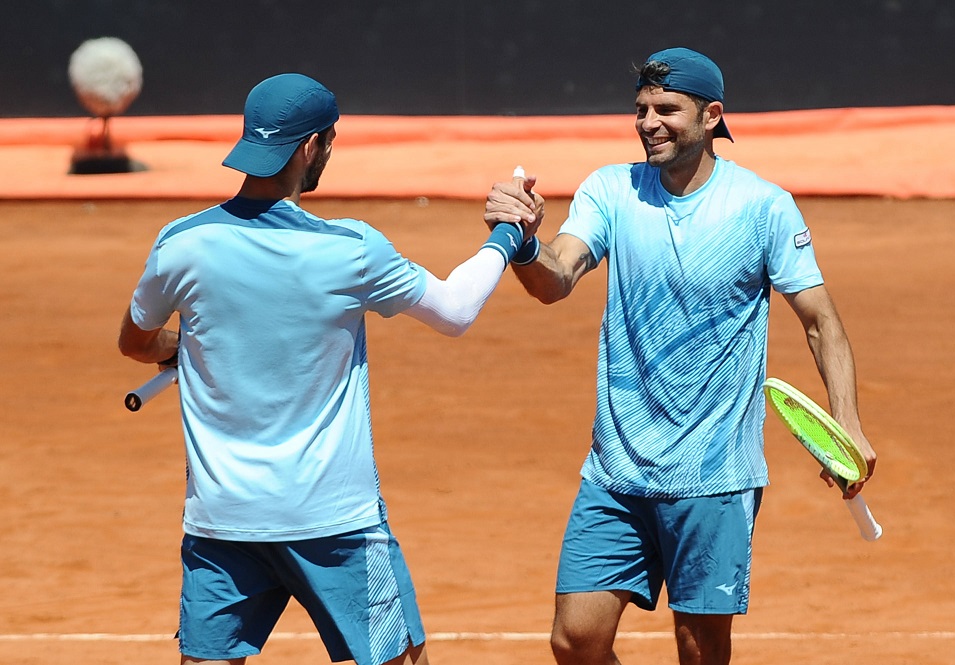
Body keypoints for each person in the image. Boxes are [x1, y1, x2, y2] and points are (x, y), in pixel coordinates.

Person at [118, 73, 536, 665]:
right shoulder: (350, 248)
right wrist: (506, 235)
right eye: (330, 143)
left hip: (222, 521)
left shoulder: (181, 243)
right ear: (311, 147)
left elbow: (135, 342)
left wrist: (186, 346)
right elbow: (455, 311)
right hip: (334, 520)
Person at [484, 48, 877, 665]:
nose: (649, 123)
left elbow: (821, 322)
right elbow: (556, 278)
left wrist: (847, 424)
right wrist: (527, 245)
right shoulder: (612, 190)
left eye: (667, 109)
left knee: (699, 649)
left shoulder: (762, 205)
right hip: (617, 469)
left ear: (712, 115)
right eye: (640, 110)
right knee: (575, 640)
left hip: (714, 473)